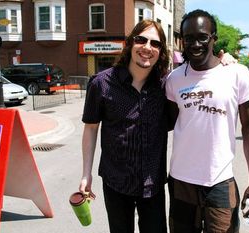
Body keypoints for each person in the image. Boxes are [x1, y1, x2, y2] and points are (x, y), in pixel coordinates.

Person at [166, 9, 249, 233]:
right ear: (182, 40)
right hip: (181, 181)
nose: (195, 44)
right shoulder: (174, 79)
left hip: (220, 181)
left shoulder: (236, 73)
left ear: (214, 39)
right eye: (189, 38)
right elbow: (168, 123)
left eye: (202, 37)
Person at [79, 20, 171, 233]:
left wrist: (223, 61)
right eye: (141, 40)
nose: (147, 48)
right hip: (116, 181)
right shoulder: (101, 83)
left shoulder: (166, 86)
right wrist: (86, 174)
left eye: (155, 44)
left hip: (152, 183)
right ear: (130, 43)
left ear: (160, 51)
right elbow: (91, 128)